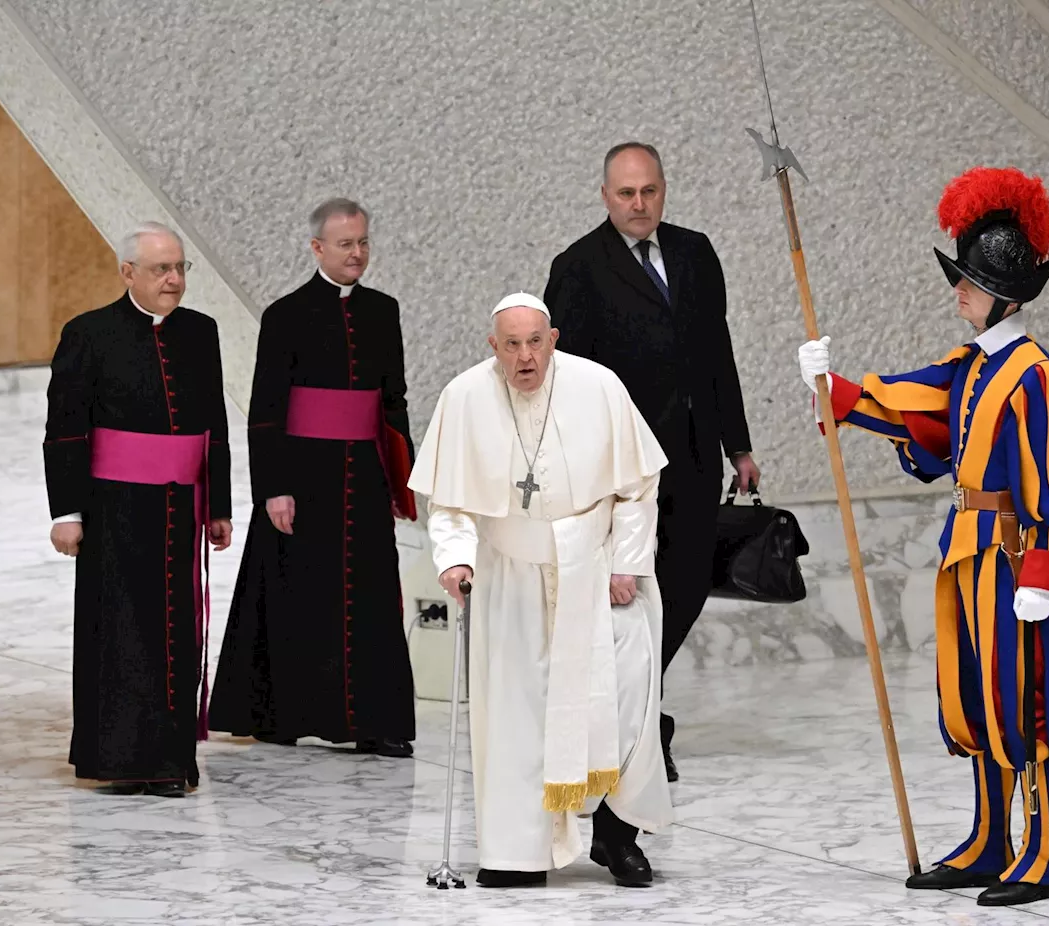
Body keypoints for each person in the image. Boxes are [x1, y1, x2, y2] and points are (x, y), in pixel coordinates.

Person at [796, 167, 1049, 907]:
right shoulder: (973, 365)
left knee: (1025, 705)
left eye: (968, 281)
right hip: (967, 558)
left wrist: (1043, 574)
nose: (957, 292)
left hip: (1013, 561)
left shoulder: (1040, 376)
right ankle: (989, 839)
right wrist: (836, 388)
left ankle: (1041, 854)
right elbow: (914, 403)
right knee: (976, 699)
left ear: (1005, 293)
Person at [408, 293, 674, 888]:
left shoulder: (599, 386)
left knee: (624, 703)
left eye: (535, 342)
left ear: (552, 338)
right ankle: (515, 852)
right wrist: (453, 560)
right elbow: (448, 503)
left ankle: (617, 833)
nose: (525, 357)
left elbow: (637, 486)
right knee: (515, 716)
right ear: (492, 347)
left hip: (597, 568)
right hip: (509, 575)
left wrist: (626, 564)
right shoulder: (464, 397)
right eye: (512, 345)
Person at [544, 141, 761, 782]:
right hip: (623, 464)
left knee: (689, 583)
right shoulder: (578, 266)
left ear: (664, 190)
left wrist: (738, 444)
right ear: (606, 195)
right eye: (626, 194)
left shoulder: (695, 252)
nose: (639, 205)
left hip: (693, 451)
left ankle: (644, 704)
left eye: (650, 192)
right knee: (632, 592)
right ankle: (638, 724)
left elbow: (718, 351)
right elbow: (568, 376)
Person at [208, 198, 418, 758]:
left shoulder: (383, 310)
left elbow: (393, 401)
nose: (358, 253)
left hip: (366, 476)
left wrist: (403, 477)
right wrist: (273, 486)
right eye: (346, 244)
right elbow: (267, 408)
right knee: (299, 598)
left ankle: (377, 721)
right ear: (317, 248)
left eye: (364, 242)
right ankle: (286, 714)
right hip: (304, 478)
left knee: (372, 598)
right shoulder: (285, 315)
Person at [44, 221, 233, 798]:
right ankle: (123, 760)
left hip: (180, 509)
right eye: (161, 270)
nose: (174, 280)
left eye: (180, 269)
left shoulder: (202, 331)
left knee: (177, 634)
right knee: (122, 632)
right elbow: (66, 431)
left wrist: (218, 504)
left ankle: (172, 760)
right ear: (128, 272)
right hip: (114, 511)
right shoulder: (89, 333)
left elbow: (213, 425)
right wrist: (66, 512)